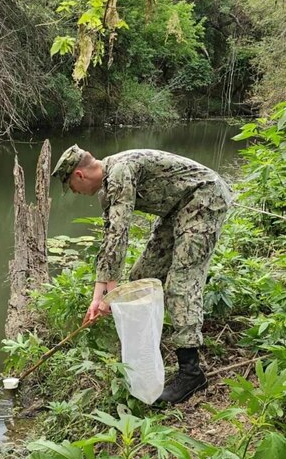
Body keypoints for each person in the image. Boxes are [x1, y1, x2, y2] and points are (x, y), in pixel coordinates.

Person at [51, 144, 232, 404]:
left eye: (71, 186)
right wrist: (98, 298)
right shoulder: (108, 186)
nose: (75, 193)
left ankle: (191, 373)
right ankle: (145, 351)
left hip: (204, 198)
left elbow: (120, 235)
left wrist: (110, 298)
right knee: (141, 278)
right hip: (177, 208)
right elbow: (110, 240)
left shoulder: (120, 171)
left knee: (181, 283)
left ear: (79, 175)